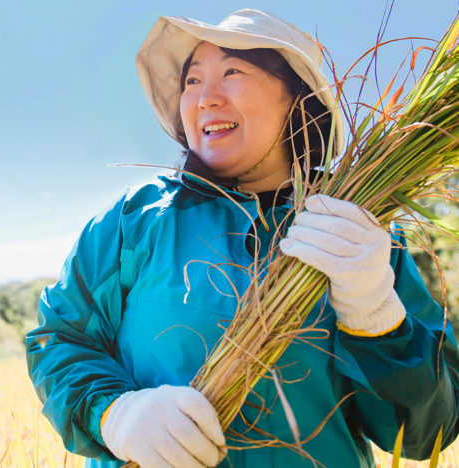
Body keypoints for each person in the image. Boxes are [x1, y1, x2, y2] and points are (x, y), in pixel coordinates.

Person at [26, 9, 459, 468]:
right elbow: (58, 339)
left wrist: (374, 311)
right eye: (192, 81)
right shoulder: (136, 218)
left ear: (296, 99)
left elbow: (424, 434)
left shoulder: (358, 234)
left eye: (232, 71)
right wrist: (116, 414)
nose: (205, 98)